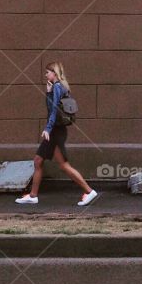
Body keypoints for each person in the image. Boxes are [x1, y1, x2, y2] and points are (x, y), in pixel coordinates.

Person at [15, 62, 99, 207]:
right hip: (55, 130)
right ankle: (33, 196)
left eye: (48, 72)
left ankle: (89, 191)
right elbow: (53, 108)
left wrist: (47, 129)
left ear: (54, 73)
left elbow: (53, 111)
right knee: (38, 161)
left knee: (64, 165)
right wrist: (48, 92)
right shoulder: (58, 87)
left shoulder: (58, 87)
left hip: (55, 132)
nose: (46, 74)